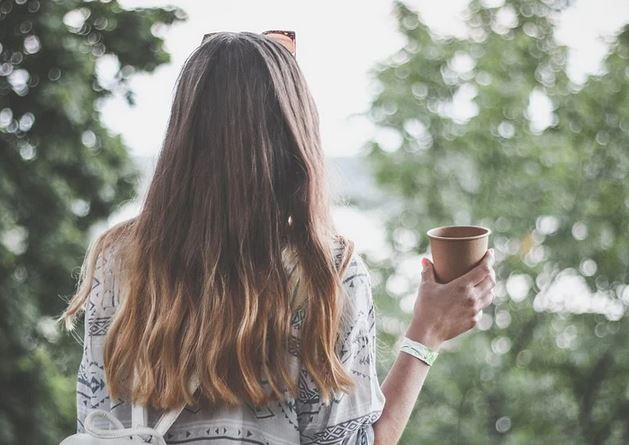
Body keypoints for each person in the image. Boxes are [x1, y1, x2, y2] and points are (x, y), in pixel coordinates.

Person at [59, 31, 496, 445]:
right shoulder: (325, 272)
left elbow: (98, 423)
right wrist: (427, 334)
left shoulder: (120, 259)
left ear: (182, 134)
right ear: (293, 139)